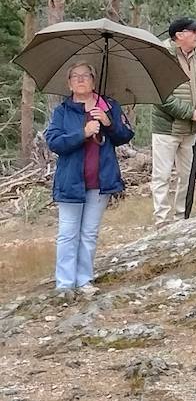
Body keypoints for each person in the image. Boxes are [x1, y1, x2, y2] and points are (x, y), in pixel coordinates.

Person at [46, 63, 135, 293]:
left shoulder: (109, 106)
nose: (80, 79)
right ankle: (65, 284)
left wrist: (108, 123)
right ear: (69, 83)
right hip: (70, 181)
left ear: (93, 81)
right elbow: (54, 142)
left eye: (85, 76)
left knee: (89, 233)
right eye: (75, 76)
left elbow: (125, 135)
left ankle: (84, 280)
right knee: (68, 234)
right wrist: (82, 133)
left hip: (100, 180)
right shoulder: (62, 111)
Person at [150, 17, 196, 227]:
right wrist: (190, 112)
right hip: (166, 129)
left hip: (192, 130)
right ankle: (162, 222)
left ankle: (181, 220)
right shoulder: (161, 58)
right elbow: (160, 94)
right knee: (162, 177)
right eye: (193, 32)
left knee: (187, 176)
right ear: (179, 35)